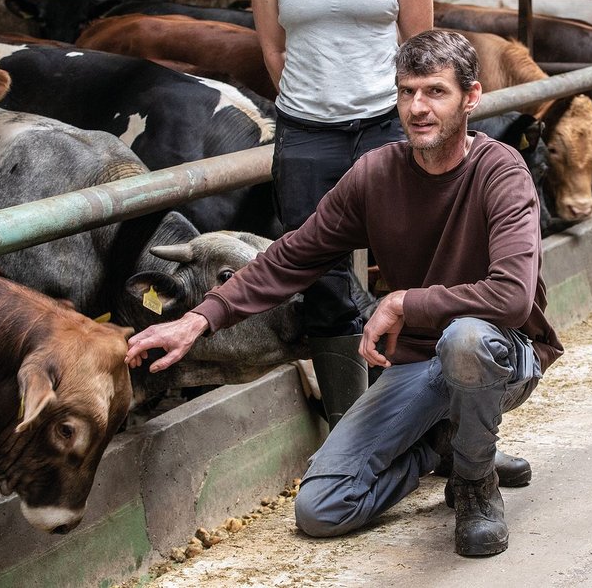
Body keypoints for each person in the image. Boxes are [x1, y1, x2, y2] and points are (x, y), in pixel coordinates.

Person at [126, 30, 563, 557]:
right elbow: (293, 255)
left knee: (464, 341)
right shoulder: (376, 174)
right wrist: (198, 320)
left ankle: (473, 484)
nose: (418, 108)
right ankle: (440, 444)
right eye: (406, 92)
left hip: (500, 352)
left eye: (435, 92)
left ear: (471, 98)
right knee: (322, 509)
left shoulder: (501, 172)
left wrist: (403, 302)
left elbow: (513, 297)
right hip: (418, 363)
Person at [248, 0, 433, 429]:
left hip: (385, 128)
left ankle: (432, 424)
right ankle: (353, 431)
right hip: (305, 137)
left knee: (412, 267)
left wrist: (402, 121)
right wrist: (314, 102)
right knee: (317, 275)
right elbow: (273, 50)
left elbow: (421, 51)